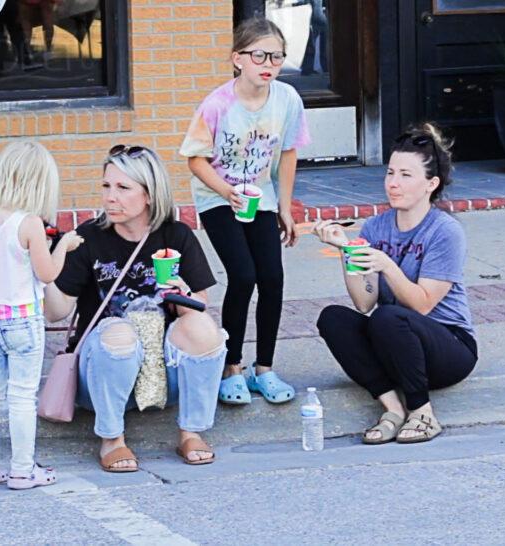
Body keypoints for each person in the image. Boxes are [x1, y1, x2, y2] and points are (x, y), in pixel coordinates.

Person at [44, 145, 227, 472]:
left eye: (123, 188)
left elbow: (197, 308)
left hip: (161, 376)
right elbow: (54, 312)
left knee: (204, 327)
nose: (110, 197)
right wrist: (50, 266)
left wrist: (182, 293)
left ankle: (191, 431)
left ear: (149, 196)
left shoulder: (175, 236)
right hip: (101, 373)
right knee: (119, 331)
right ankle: (112, 439)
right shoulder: (88, 238)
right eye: (106, 186)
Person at [313, 123, 478, 444]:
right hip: (393, 342)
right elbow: (364, 303)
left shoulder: (444, 231)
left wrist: (388, 265)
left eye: (405, 175)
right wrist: (348, 251)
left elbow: (422, 303)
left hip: (449, 348)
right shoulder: (376, 226)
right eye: (390, 173)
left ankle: (423, 413)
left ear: (431, 184)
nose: (393, 183)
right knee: (334, 318)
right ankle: (392, 408)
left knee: (390, 316)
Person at [180, 18, 310, 407]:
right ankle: (231, 366)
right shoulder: (218, 104)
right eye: (259, 55)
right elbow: (196, 160)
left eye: (276, 56)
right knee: (243, 275)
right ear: (238, 59)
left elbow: (288, 154)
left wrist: (285, 208)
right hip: (217, 197)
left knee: (272, 277)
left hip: (262, 196)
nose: (268, 63)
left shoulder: (287, 99)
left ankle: (264, 368)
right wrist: (227, 192)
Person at [0, 140, 83, 489]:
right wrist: (64, 247)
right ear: (41, 185)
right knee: (22, 396)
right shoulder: (29, 224)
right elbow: (48, 274)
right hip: (22, 320)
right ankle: (23, 470)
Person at [292, 0, 327, 76]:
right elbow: (317, 16)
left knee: (310, 40)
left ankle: (308, 67)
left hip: (308, 14)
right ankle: (325, 66)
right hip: (315, 16)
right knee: (322, 39)